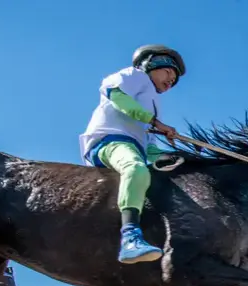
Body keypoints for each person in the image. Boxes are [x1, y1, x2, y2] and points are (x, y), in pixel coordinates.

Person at [79, 45, 185, 264]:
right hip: (109, 141)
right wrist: (155, 122)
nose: (171, 81)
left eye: (174, 80)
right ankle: (130, 238)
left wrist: (171, 157)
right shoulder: (134, 76)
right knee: (135, 168)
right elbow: (117, 97)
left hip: (134, 146)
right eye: (168, 72)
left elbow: (150, 146)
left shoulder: (154, 104)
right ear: (151, 64)